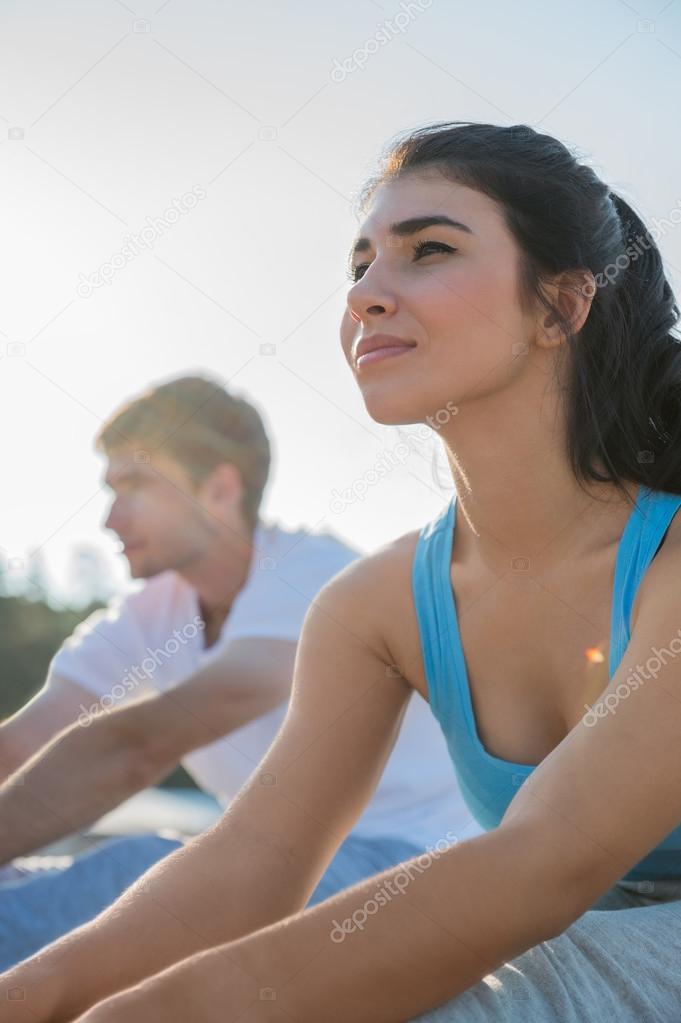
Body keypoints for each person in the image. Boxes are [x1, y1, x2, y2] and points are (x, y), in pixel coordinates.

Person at [3, 119, 681, 1022]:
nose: (367, 294)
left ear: (560, 305)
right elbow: (249, 865)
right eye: (358, 266)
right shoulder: (380, 605)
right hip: (558, 925)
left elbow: (542, 861)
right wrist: (35, 996)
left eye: (426, 250)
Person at [0, 373, 479, 971]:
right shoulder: (152, 614)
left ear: (220, 489)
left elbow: (139, 747)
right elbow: (23, 742)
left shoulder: (313, 579)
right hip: (278, 861)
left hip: (412, 866)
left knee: (126, 875)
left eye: (135, 485)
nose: (110, 519)